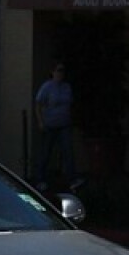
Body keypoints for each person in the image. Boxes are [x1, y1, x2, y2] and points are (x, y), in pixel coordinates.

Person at [34, 62, 80, 191]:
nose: (61, 73)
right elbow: (38, 104)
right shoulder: (47, 87)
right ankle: (40, 179)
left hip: (64, 124)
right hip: (50, 124)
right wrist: (40, 122)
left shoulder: (66, 87)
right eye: (58, 70)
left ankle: (72, 179)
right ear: (53, 72)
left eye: (63, 71)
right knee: (46, 152)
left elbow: (70, 104)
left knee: (68, 151)